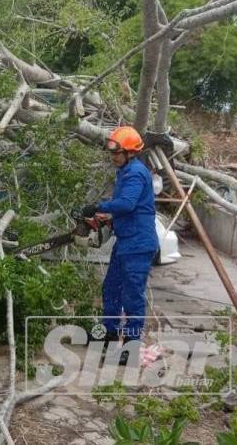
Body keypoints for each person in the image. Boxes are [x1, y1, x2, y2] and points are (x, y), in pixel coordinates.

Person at [81, 126, 159, 348]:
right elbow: (131, 209)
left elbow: (127, 204)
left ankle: (132, 344)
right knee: (111, 288)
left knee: (132, 295)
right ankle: (110, 333)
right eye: (112, 153)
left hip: (138, 243)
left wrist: (98, 207)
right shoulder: (126, 171)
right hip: (126, 240)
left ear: (130, 152)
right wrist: (107, 219)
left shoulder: (135, 172)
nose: (113, 157)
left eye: (117, 153)